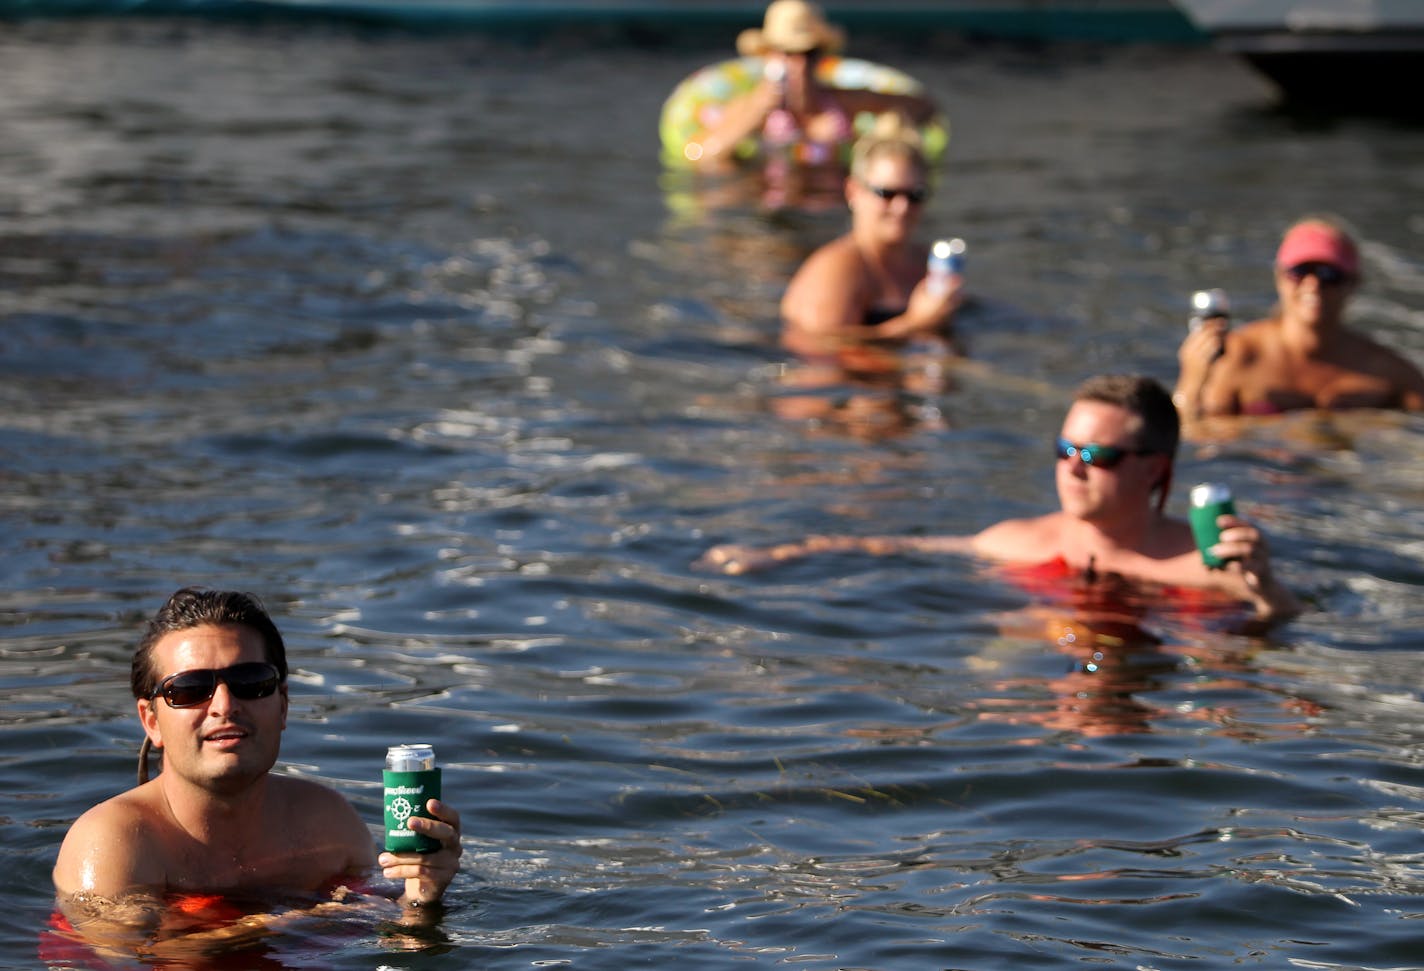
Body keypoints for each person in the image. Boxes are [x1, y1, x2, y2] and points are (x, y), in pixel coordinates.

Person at [699, 374, 1302, 625]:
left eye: (1097, 456)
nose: (1073, 468)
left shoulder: (1205, 565)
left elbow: (1287, 624)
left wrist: (1268, 590)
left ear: (1154, 471)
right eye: (1065, 449)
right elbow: (887, 546)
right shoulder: (1020, 541)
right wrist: (778, 554)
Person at [51, 587, 462, 953]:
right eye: (190, 689)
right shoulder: (113, 842)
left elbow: (394, 940)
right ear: (151, 720)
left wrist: (420, 900)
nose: (224, 706)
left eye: (251, 681)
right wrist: (292, 921)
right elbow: (128, 958)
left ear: (282, 705)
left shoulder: (329, 823)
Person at [1175, 216, 1424, 419]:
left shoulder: (1386, 371)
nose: (1313, 285)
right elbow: (1192, 435)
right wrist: (1191, 381)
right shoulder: (1238, 357)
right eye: (1300, 272)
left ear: (1353, 283)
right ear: (1280, 277)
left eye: (1329, 274)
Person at [779, 111, 963, 358]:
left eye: (915, 195)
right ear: (854, 191)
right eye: (887, 193)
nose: (902, 207)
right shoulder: (837, 270)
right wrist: (915, 324)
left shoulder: (924, 263)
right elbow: (816, 352)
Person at [683, 0, 937, 172]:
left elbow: (922, 106)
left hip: (831, 206)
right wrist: (758, 111)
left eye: (808, 53)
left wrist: (880, 137)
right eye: (787, 53)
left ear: (820, 57)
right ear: (769, 56)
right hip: (768, 210)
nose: (799, 64)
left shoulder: (842, 102)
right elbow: (701, 156)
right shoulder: (753, 106)